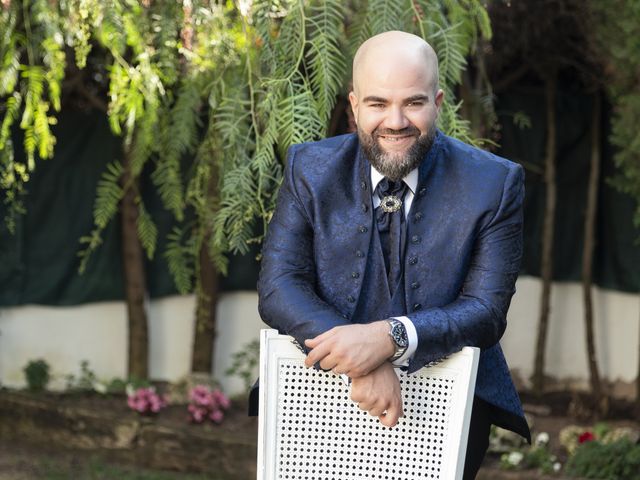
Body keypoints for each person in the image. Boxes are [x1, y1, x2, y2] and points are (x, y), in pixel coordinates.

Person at [257, 30, 530, 479]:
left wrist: (389, 338)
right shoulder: (308, 169)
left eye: (414, 102)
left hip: (450, 393)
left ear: (438, 102)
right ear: (354, 106)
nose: (396, 121)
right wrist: (360, 357)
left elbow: (485, 311)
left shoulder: (494, 184)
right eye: (378, 103)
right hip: (317, 391)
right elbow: (279, 286)